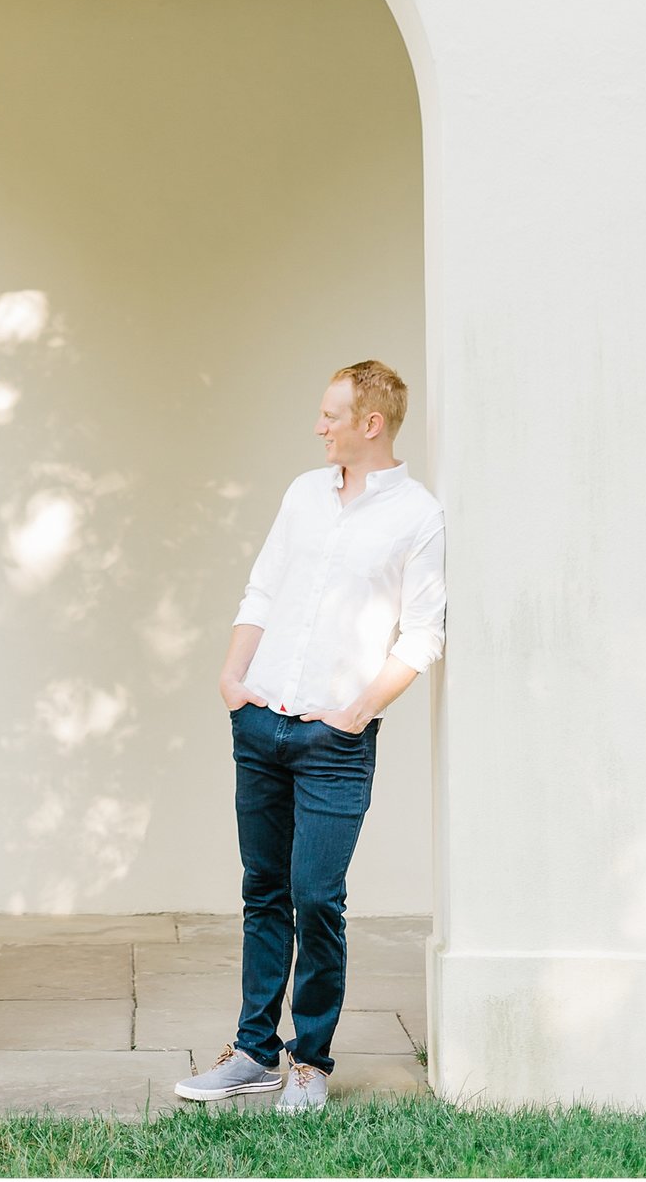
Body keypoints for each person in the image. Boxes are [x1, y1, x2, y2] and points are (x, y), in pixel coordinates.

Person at [176, 360, 445, 1114]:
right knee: (263, 892)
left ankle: (311, 1059)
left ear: (372, 423)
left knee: (316, 897)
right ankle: (255, 1049)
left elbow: (424, 633)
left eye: (331, 414)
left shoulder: (417, 516)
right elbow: (262, 584)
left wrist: (356, 711)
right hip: (261, 724)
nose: (318, 426)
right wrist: (233, 681)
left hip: (335, 742)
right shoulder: (302, 493)